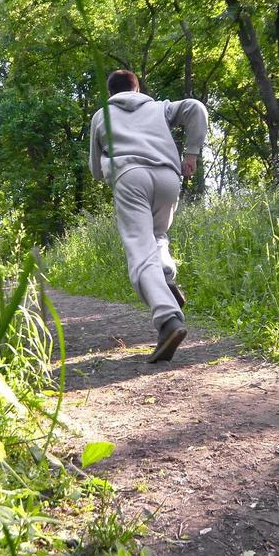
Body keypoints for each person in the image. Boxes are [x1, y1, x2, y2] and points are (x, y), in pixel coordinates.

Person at [89, 69, 207, 363]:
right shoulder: (158, 107)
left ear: (110, 94)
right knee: (157, 237)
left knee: (139, 251)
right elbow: (196, 108)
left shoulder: (101, 115)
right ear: (137, 89)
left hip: (131, 177)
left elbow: (94, 170)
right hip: (168, 177)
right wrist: (191, 154)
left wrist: (105, 162)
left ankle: (168, 320)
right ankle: (165, 279)